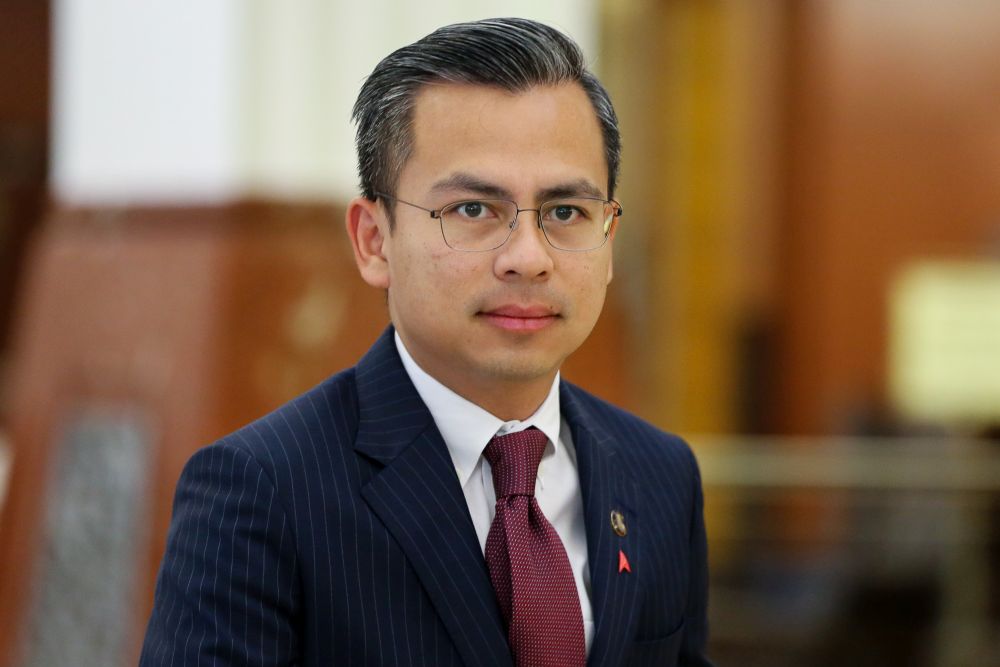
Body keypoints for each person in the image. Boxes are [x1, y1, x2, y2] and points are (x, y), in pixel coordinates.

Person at [140, 17, 712, 667]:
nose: (528, 257)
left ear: (609, 239)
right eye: (473, 209)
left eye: (564, 213)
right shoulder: (262, 490)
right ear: (374, 240)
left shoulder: (660, 475)